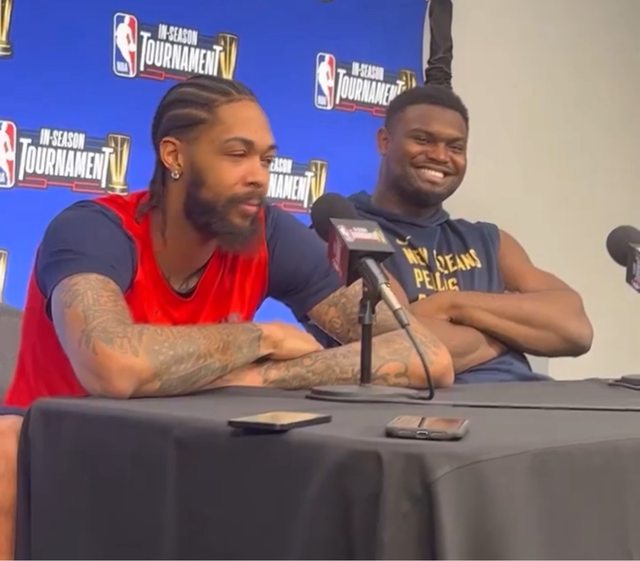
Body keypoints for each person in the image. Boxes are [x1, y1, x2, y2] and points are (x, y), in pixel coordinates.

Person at [0, 75, 454, 559]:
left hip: (189, 455)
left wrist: (257, 377)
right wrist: (262, 338)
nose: (259, 176)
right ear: (174, 156)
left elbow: (427, 356)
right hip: (63, 456)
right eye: (237, 154)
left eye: (267, 160)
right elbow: (112, 366)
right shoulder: (92, 230)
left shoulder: (268, 232)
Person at [341, 84, 594, 382]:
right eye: (423, 139)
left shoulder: (490, 240)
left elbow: (574, 328)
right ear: (385, 141)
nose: (440, 155)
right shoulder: (350, 230)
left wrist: (451, 304)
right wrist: (510, 331)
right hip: (436, 403)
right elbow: (403, 343)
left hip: (530, 397)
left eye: (455, 147)